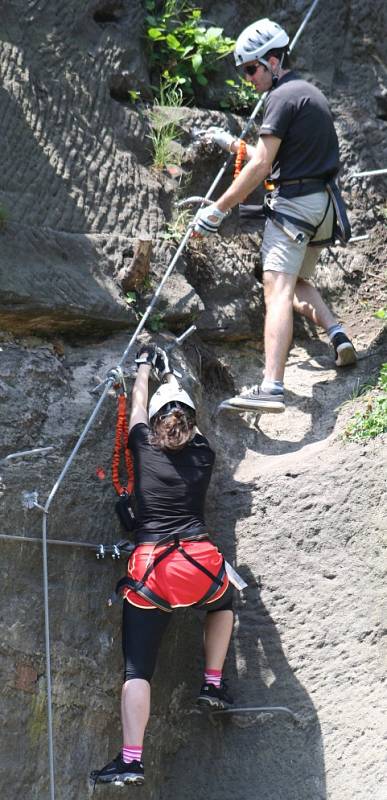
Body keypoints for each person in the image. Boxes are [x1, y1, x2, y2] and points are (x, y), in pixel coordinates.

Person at [194, 18, 356, 414]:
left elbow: (264, 165)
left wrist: (217, 210)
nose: (248, 78)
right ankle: (336, 333)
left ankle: (271, 386)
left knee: (277, 290)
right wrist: (231, 143)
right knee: (299, 281)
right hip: (321, 208)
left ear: (272, 61)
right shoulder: (309, 95)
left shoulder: (280, 98)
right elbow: (281, 158)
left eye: (251, 68)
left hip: (294, 208)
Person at [90, 345, 235, 788]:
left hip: (155, 570)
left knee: (138, 670)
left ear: (155, 423)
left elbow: (136, 408)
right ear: (192, 424)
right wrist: (174, 384)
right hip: (203, 564)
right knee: (225, 601)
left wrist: (142, 370)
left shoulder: (141, 445)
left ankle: (132, 759)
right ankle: (212, 682)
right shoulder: (204, 455)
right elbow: (184, 425)